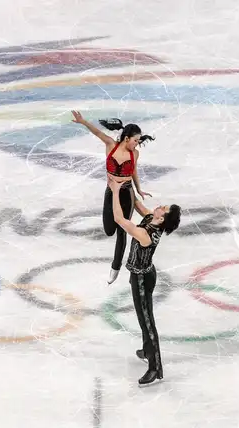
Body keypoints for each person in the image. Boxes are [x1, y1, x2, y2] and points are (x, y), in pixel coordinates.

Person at [107, 175, 181, 386]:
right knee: (143, 317)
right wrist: (126, 184)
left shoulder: (146, 234)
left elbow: (119, 219)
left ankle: (155, 368)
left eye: (163, 209)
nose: (160, 206)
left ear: (161, 219)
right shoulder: (151, 218)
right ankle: (147, 350)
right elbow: (138, 205)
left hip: (142, 279)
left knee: (146, 321)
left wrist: (115, 192)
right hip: (142, 274)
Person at [71, 111, 154, 284]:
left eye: (139, 141)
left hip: (127, 193)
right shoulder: (111, 145)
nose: (137, 144)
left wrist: (138, 190)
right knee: (109, 230)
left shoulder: (134, 153)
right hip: (110, 191)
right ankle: (115, 264)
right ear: (126, 138)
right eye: (135, 140)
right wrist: (83, 121)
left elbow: (133, 171)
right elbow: (97, 132)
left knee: (123, 231)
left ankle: (115, 268)